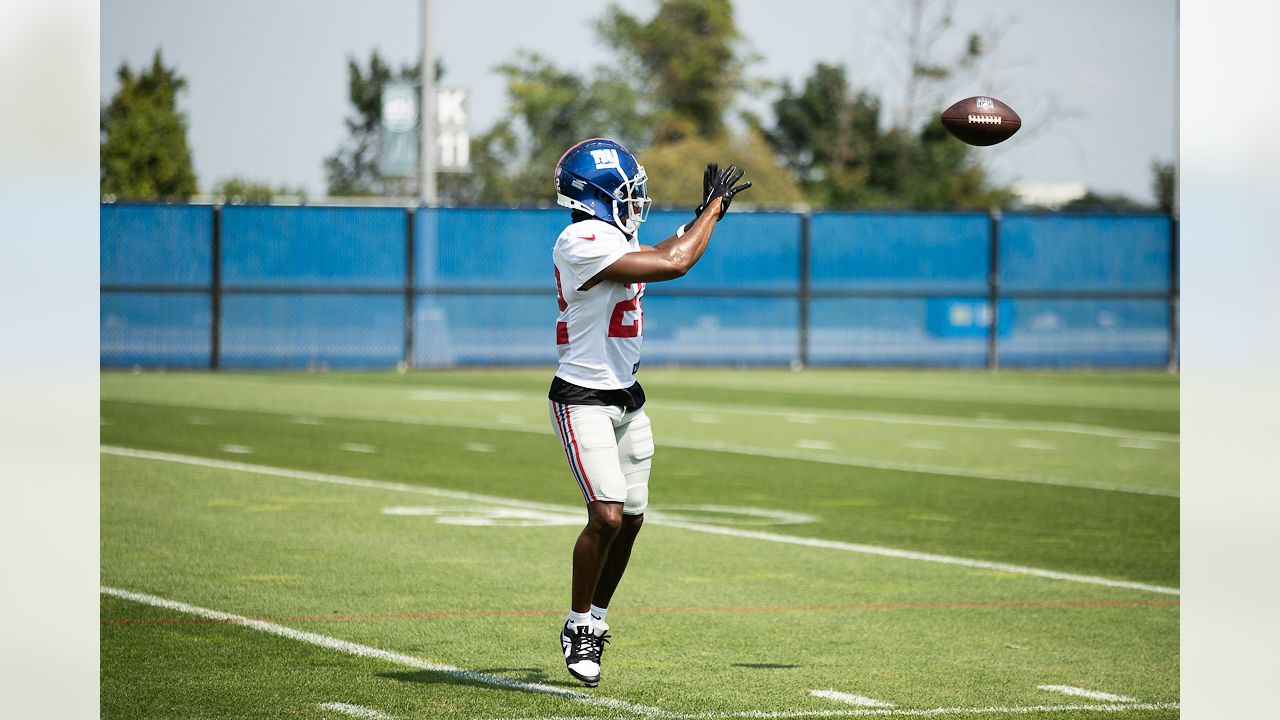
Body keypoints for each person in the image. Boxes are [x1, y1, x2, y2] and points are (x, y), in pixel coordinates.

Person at [547, 137, 751, 686]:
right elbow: (676, 263)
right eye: (626, 189)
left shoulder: (611, 235)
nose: (635, 198)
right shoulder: (580, 238)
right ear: (598, 193)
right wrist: (712, 213)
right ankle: (575, 624)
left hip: (628, 398)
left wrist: (702, 219)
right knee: (607, 515)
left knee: (632, 519)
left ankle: (598, 619)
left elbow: (666, 249)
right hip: (582, 397)